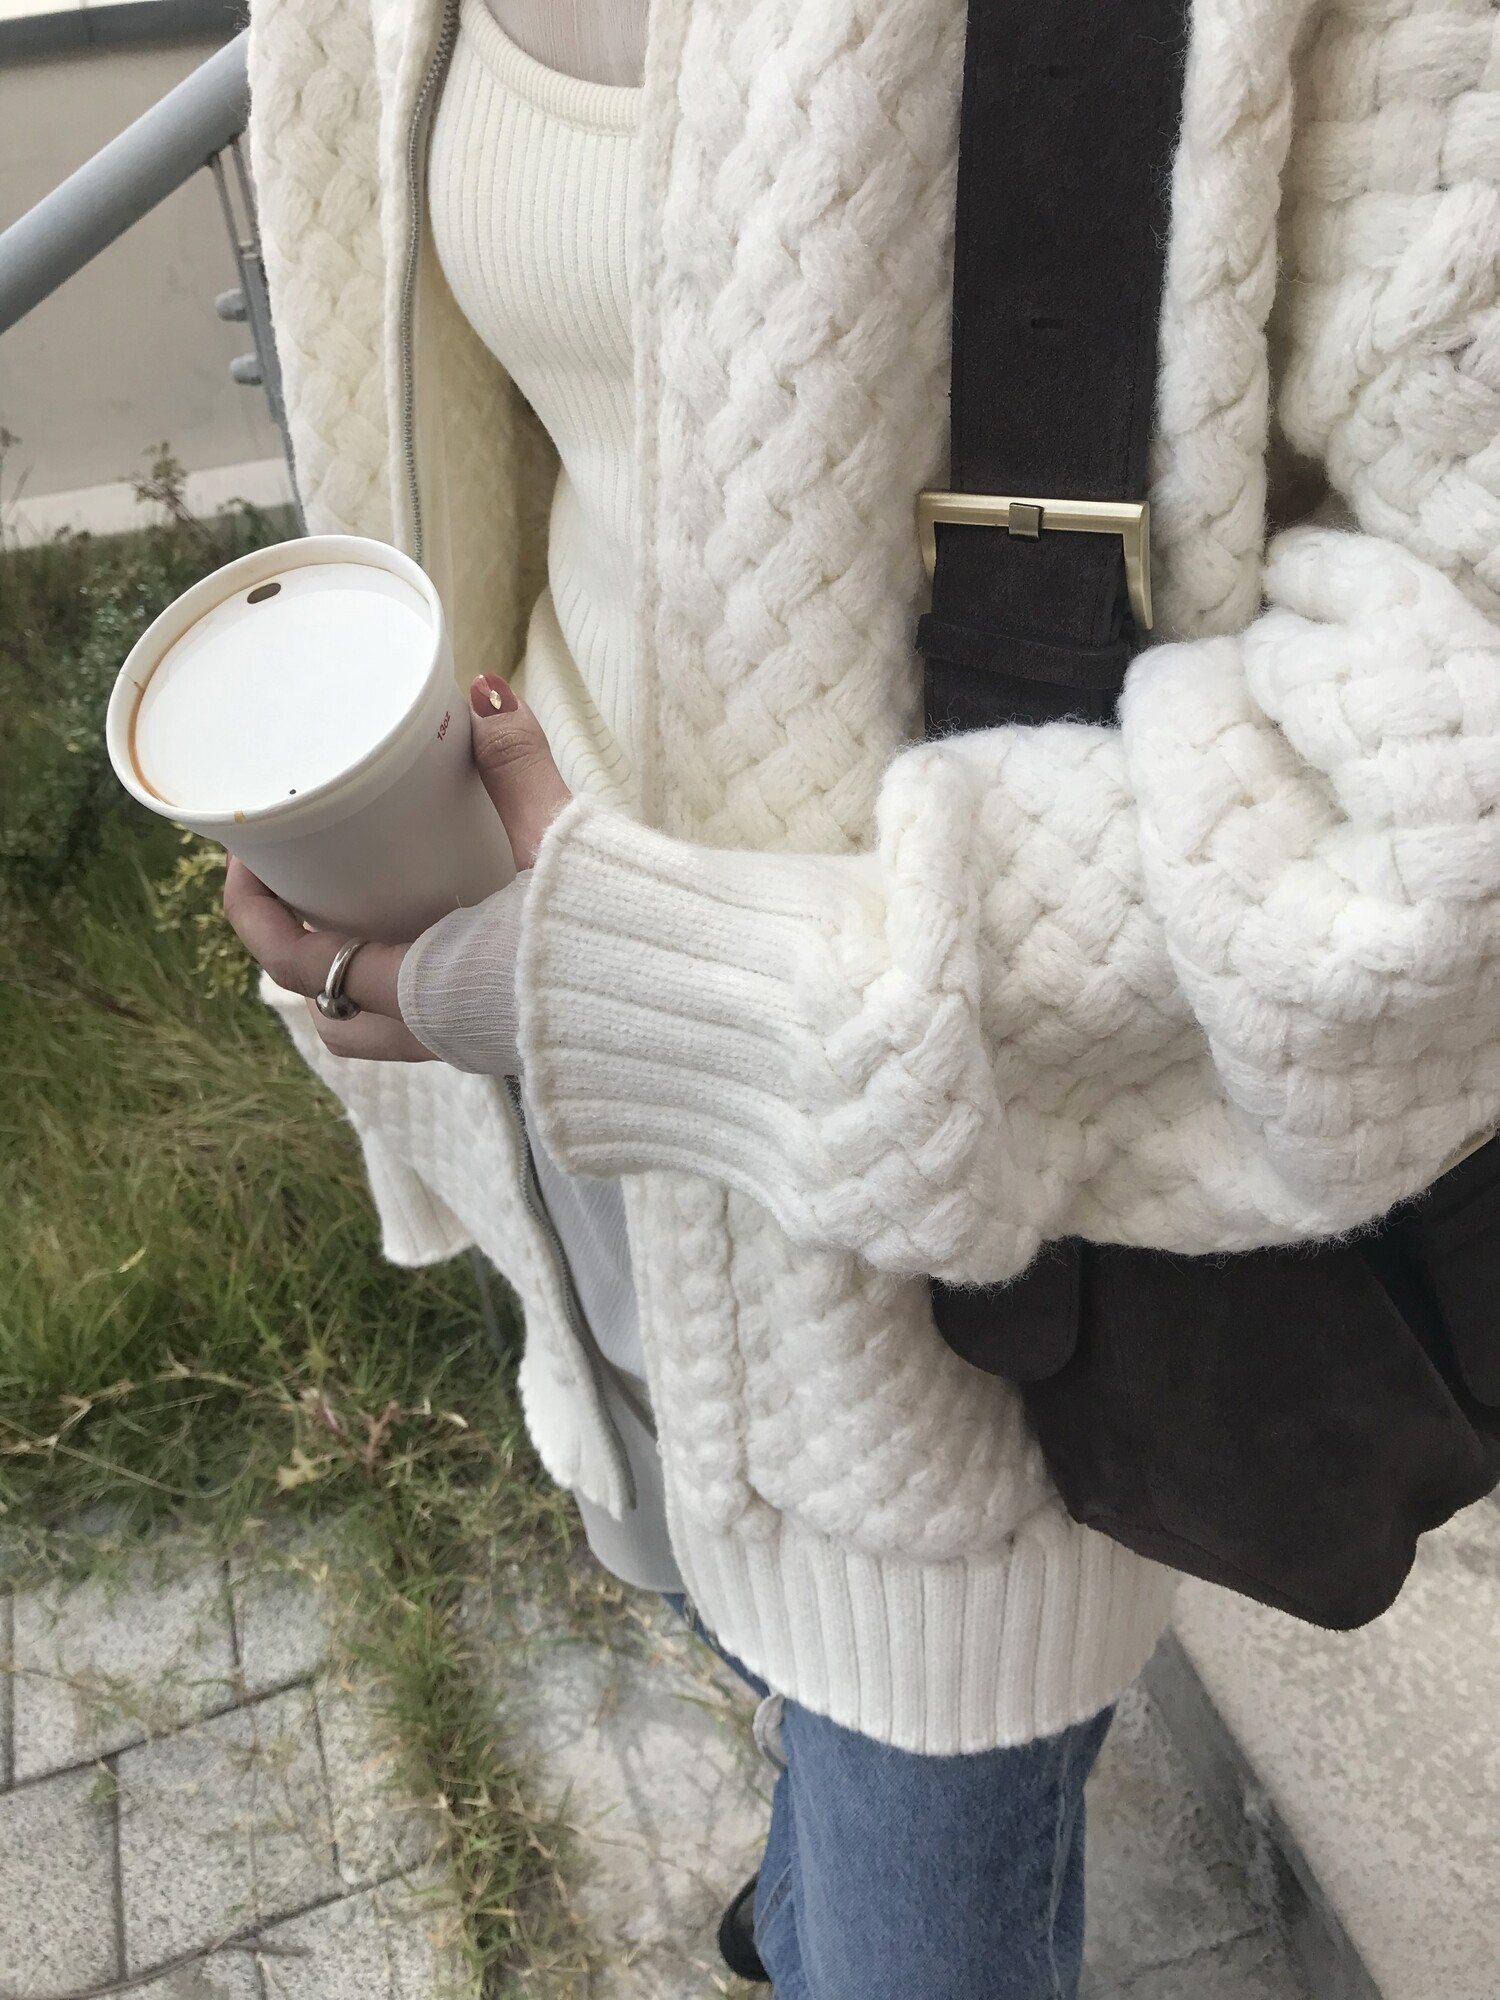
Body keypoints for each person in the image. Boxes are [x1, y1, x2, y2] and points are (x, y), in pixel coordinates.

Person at [230, 0, 1500, 1991]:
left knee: (912, 1899)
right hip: (546, 1067)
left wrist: (677, 992)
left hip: (971, 1242)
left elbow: (1454, 783)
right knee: (745, 1647)